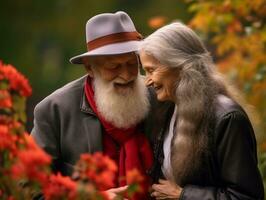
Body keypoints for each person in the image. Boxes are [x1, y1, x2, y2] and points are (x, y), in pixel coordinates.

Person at [31, 11, 154, 199]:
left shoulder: (161, 97)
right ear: (90, 68)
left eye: (132, 64)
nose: (127, 75)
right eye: (114, 67)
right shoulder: (54, 111)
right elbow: (29, 187)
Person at [139, 22, 264, 200]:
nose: (147, 81)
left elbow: (246, 197)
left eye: (151, 70)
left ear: (180, 66)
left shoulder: (227, 118)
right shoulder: (167, 107)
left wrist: (183, 195)